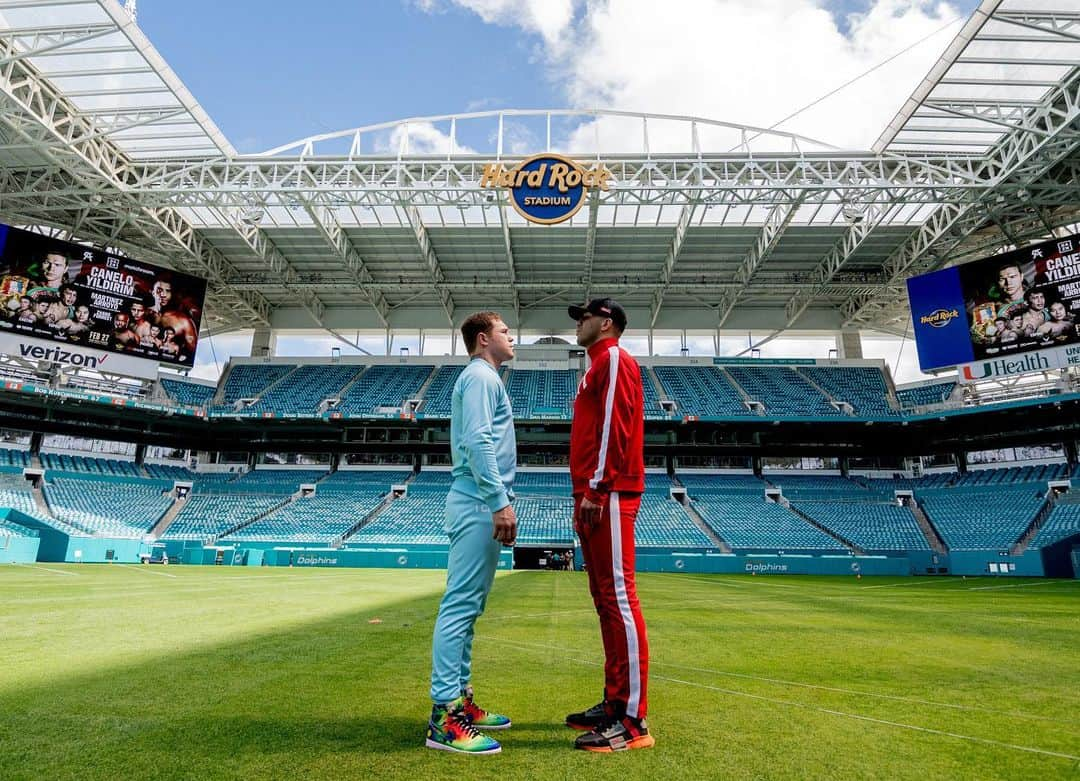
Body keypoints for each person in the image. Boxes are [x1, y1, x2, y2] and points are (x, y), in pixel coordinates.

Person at [426, 311, 517, 755]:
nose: (510, 336)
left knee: (469, 605)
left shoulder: (483, 377)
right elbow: (479, 440)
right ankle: (444, 716)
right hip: (479, 497)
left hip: (477, 496)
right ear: (484, 339)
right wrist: (499, 500)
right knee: (460, 605)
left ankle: (460, 700)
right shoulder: (481, 377)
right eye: (503, 331)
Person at [565, 297, 653, 752]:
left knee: (618, 596)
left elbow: (615, 427)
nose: (577, 323)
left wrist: (597, 490)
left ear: (605, 322)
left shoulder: (614, 357)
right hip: (594, 494)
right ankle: (615, 700)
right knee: (604, 598)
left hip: (610, 493)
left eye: (583, 317)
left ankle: (634, 720)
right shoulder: (595, 365)